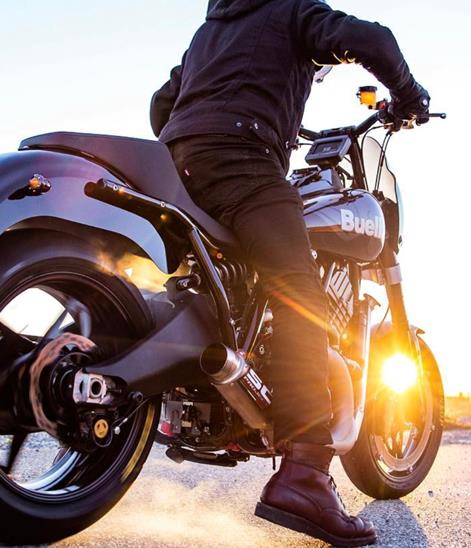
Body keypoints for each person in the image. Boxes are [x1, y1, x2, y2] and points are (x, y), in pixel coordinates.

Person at [150, 1, 430, 545]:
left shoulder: (213, 29)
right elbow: (371, 38)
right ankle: (305, 474)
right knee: (300, 296)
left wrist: (194, 139)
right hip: (243, 161)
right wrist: (409, 95)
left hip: (178, 163)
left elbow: (164, 103)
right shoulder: (290, 10)